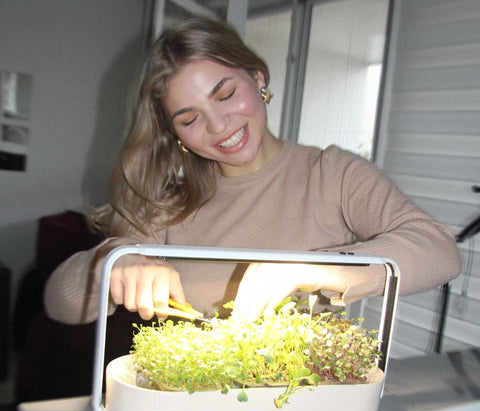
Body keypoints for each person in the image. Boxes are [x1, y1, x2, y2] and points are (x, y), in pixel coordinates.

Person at [44, 16, 461, 325]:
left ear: (258, 78)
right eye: (190, 119)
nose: (218, 125)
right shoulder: (168, 204)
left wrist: (309, 270)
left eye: (226, 94)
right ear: (175, 135)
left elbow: (439, 249)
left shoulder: (331, 175)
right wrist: (112, 262)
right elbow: (59, 304)